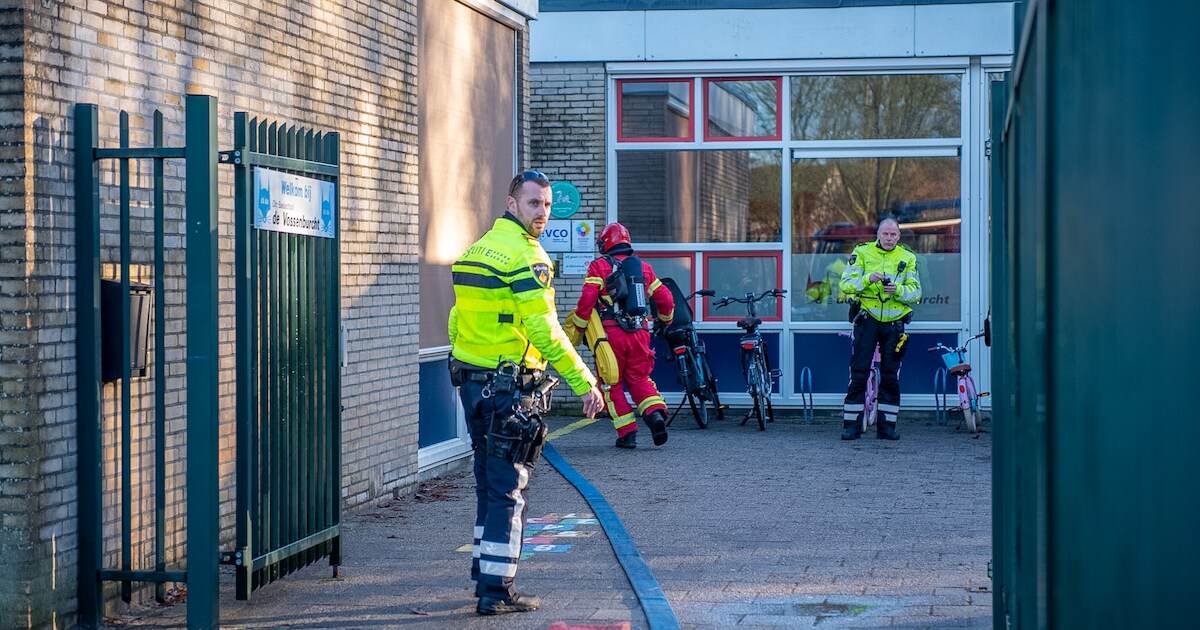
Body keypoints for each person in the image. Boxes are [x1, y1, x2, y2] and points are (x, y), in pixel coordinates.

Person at [447, 169, 605, 615]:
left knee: (487, 484)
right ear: (512, 203)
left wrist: (466, 363)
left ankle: (484, 576)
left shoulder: (477, 250)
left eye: (547, 205)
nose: (542, 213)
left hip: (473, 384)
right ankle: (496, 593)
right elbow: (545, 328)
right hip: (508, 390)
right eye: (534, 203)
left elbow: (458, 320)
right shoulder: (527, 256)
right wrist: (585, 381)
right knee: (508, 490)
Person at [569, 222, 674, 449]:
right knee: (639, 379)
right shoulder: (644, 268)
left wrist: (578, 328)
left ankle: (627, 434)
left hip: (610, 336)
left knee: (610, 384)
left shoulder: (599, 267)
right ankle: (655, 414)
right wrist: (665, 322)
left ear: (605, 243)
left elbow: (587, 301)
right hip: (640, 333)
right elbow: (666, 299)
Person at [838, 216, 922, 440]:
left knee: (890, 376)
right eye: (885, 234)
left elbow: (917, 292)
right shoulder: (863, 252)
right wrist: (867, 279)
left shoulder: (908, 257)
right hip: (868, 320)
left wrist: (898, 290)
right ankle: (851, 426)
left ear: (899, 236)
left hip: (894, 324)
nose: (889, 238)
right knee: (859, 373)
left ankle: (887, 428)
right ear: (878, 234)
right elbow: (845, 284)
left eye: (893, 234)